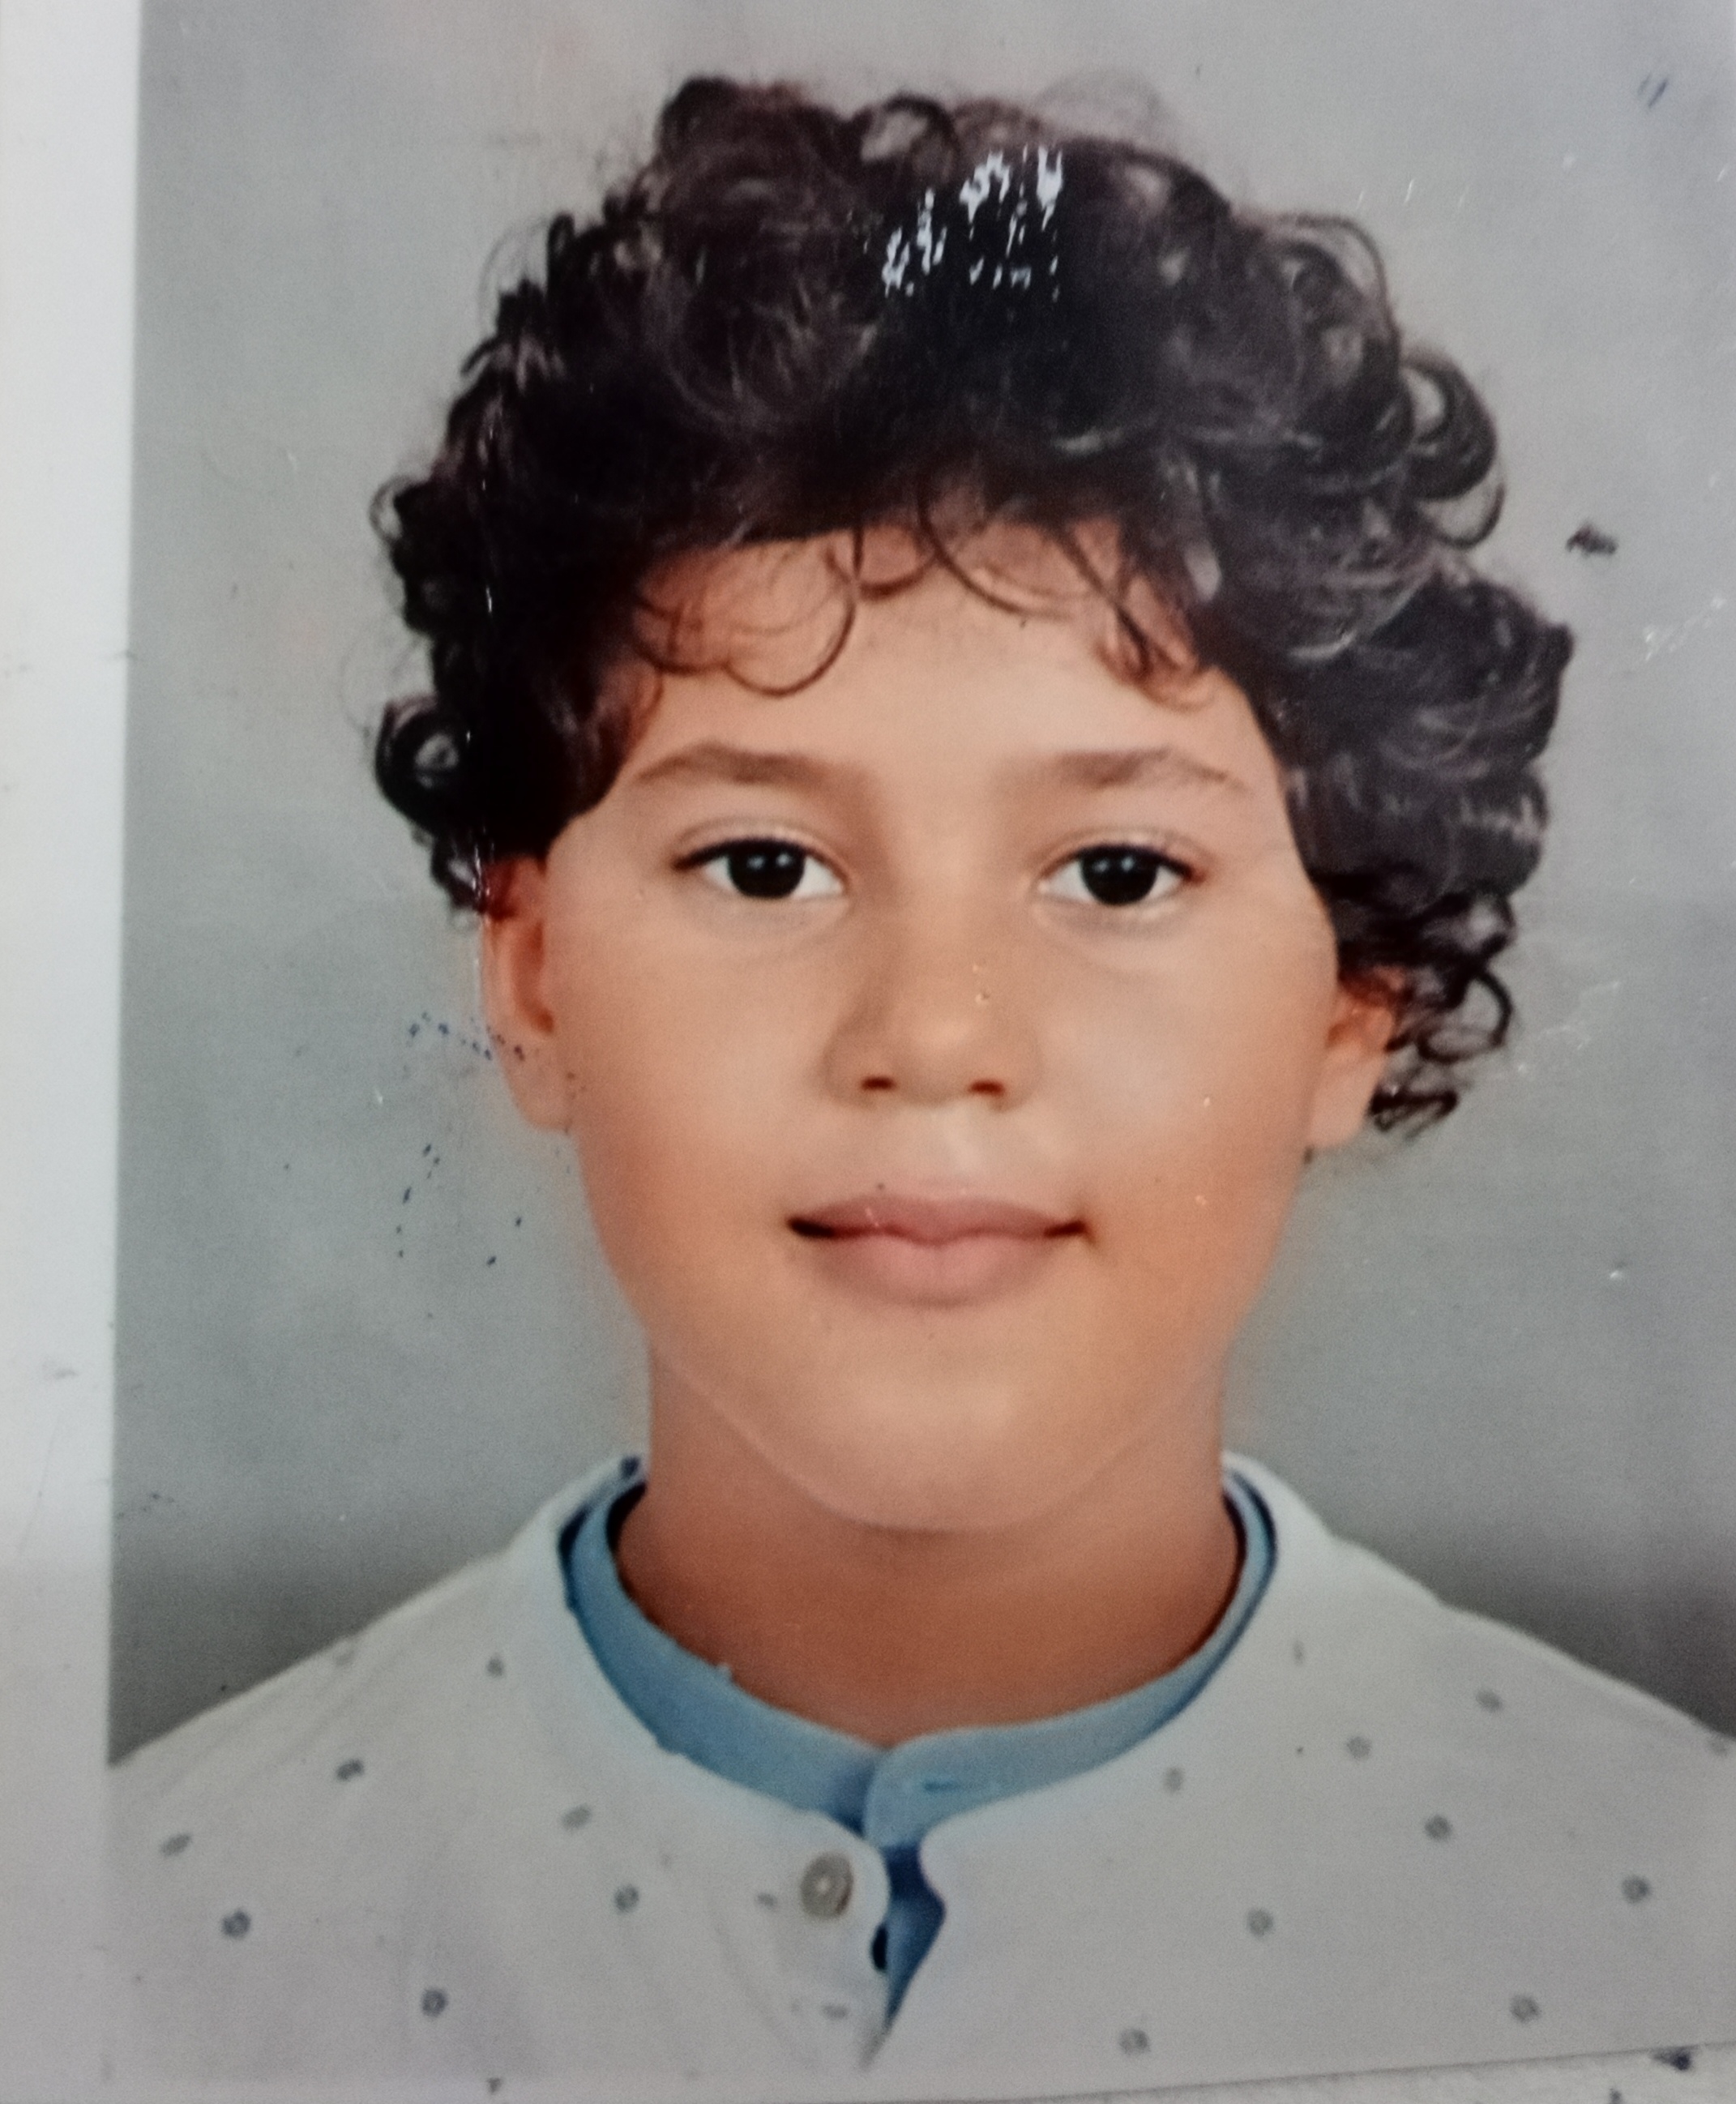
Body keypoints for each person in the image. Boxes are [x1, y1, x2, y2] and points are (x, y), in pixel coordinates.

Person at [109, 79, 1736, 2095]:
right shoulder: (129, 1940)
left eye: (1117, 873)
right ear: (529, 974)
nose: (935, 1030)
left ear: (1356, 996)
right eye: (763, 865)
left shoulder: (1674, 1930)